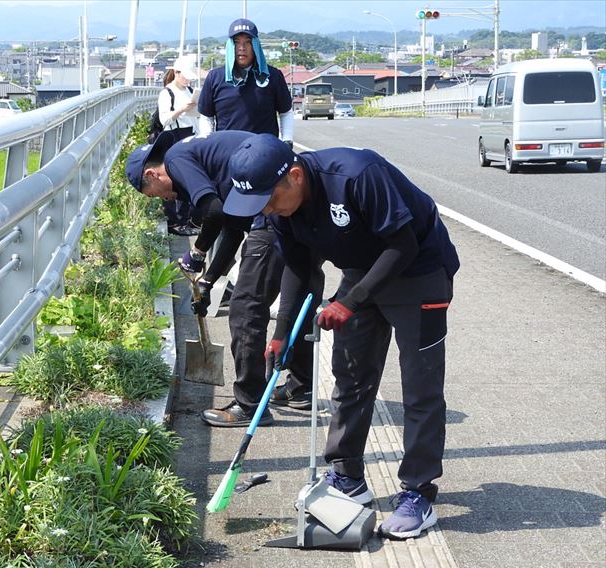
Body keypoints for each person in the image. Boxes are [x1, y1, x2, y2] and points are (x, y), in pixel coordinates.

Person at [223, 134, 460, 540]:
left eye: (268, 199)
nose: (264, 209)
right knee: (350, 378)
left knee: (419, 387)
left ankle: (418, 493)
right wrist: (283, 336)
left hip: (419, 270)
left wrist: (349, 302)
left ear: (295, 177)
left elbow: (402, 245)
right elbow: (300, 269)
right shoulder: (281, 210)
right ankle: (348, 478)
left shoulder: (356, 175)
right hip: (360, 272)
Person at [181, 17, 317, 427]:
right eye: (236, 41)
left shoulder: (270, 77)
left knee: (249, 304)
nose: (242, 47)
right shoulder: (217, 79)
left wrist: (285, 144)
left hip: (268, 178)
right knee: (300, 291)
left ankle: (251, 401)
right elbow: (204, 118)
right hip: (244, 181)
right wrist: (209, 142)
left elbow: (287, 113)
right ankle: (300, 386)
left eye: (248, 41)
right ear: (228, 46)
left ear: (256, 45)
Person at [158, 57, 200, 237]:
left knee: (188, 179)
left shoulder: (190, 90)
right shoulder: (167, 93)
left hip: (191, 136)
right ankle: (175, 221)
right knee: (175, 180)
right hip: (174, 137)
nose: (188, 80)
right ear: (176, 72)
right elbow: (164, 120)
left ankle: (185, 219)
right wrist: (182, 109)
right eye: (186, 76)